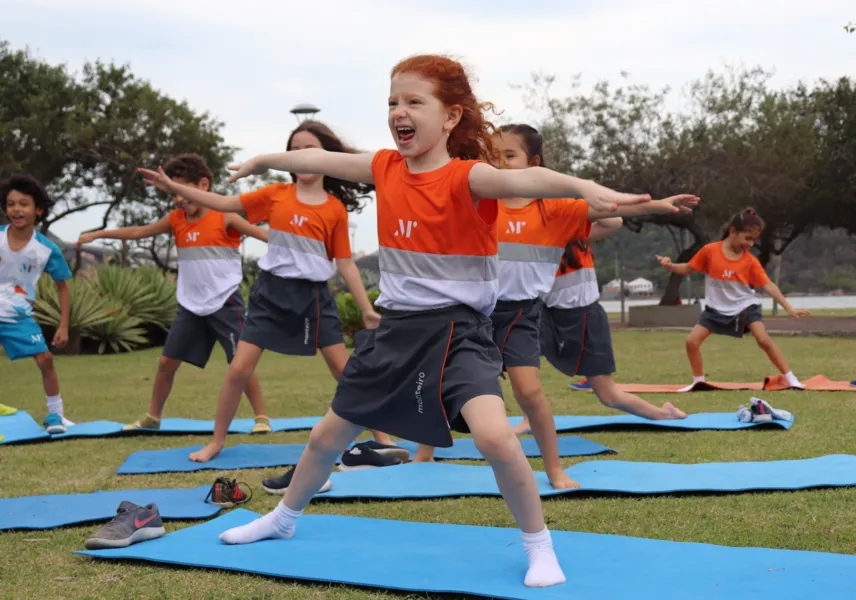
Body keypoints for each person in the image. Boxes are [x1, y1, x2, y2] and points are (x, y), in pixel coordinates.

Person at [178, 53, 677, 589]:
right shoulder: (383, 167)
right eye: (393, 101)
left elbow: (529, 178)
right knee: (326, 436)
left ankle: (539, 546)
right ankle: (283, 519)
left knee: (495, 438)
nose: (399, 111)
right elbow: (325, 158)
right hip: (395, 331)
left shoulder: (471, 177)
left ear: (451, 117)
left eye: (415, 101)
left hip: (460, 334)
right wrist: (262, 161)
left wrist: (581, 187)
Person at [413, 124, 697, 488]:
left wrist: (658, 204)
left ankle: (554, 469)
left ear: (535, 164)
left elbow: (611, 214)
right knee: (441, 380)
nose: (499, 163)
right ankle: (424, 452)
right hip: (473, 311)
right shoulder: (481, 203)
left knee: (529, 392)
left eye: (509, 156)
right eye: (493, 156)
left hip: (521, 314)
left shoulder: (555, 211)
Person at [138, 121, 407, 477]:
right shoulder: (275, 195)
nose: (302, 157)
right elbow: (223, 202)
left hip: (313, 297)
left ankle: (383, 439)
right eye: (294, 150)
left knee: (344, 370)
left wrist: (367, 309)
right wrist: (173, 187)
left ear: (326, 157)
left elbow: (345, 264)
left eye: (310, 149)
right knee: (238, 369)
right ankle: (217, 441)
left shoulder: (334, 209)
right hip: (271, 293)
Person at [76, 154, 272, 433]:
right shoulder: (175, 219)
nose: (178, 198)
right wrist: (98, 235)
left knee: (239, 362)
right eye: (173, 193)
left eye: (182, 190)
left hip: (226, 301)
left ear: (203, 184)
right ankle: (152, 417)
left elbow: (263, 235)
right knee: (167, 362)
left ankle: (261, 418)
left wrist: (298, 238)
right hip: (190, 304)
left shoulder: (225, 215)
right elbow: (139, 232)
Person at [656, 208, 810, 391]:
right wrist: (670, 266)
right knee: (691, 342)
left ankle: (790, 378)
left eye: (754, 240)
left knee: (763, 339)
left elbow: (769, 285)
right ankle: (698, 381)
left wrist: (789, 308)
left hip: (745, 306)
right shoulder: (710, 251)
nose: (751, 244)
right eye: (747, 238)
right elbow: (688, 268)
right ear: (733, 232)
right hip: (715, 310)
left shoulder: (750, 261)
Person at [1, 175, 74, 433]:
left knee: (45, 360)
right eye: (11, 204)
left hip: (18, 315)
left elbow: (62, 287)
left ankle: (56, 416)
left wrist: (63, 326)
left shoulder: (46, 249)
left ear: (38, 210)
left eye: (23, 204)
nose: (16, 210)